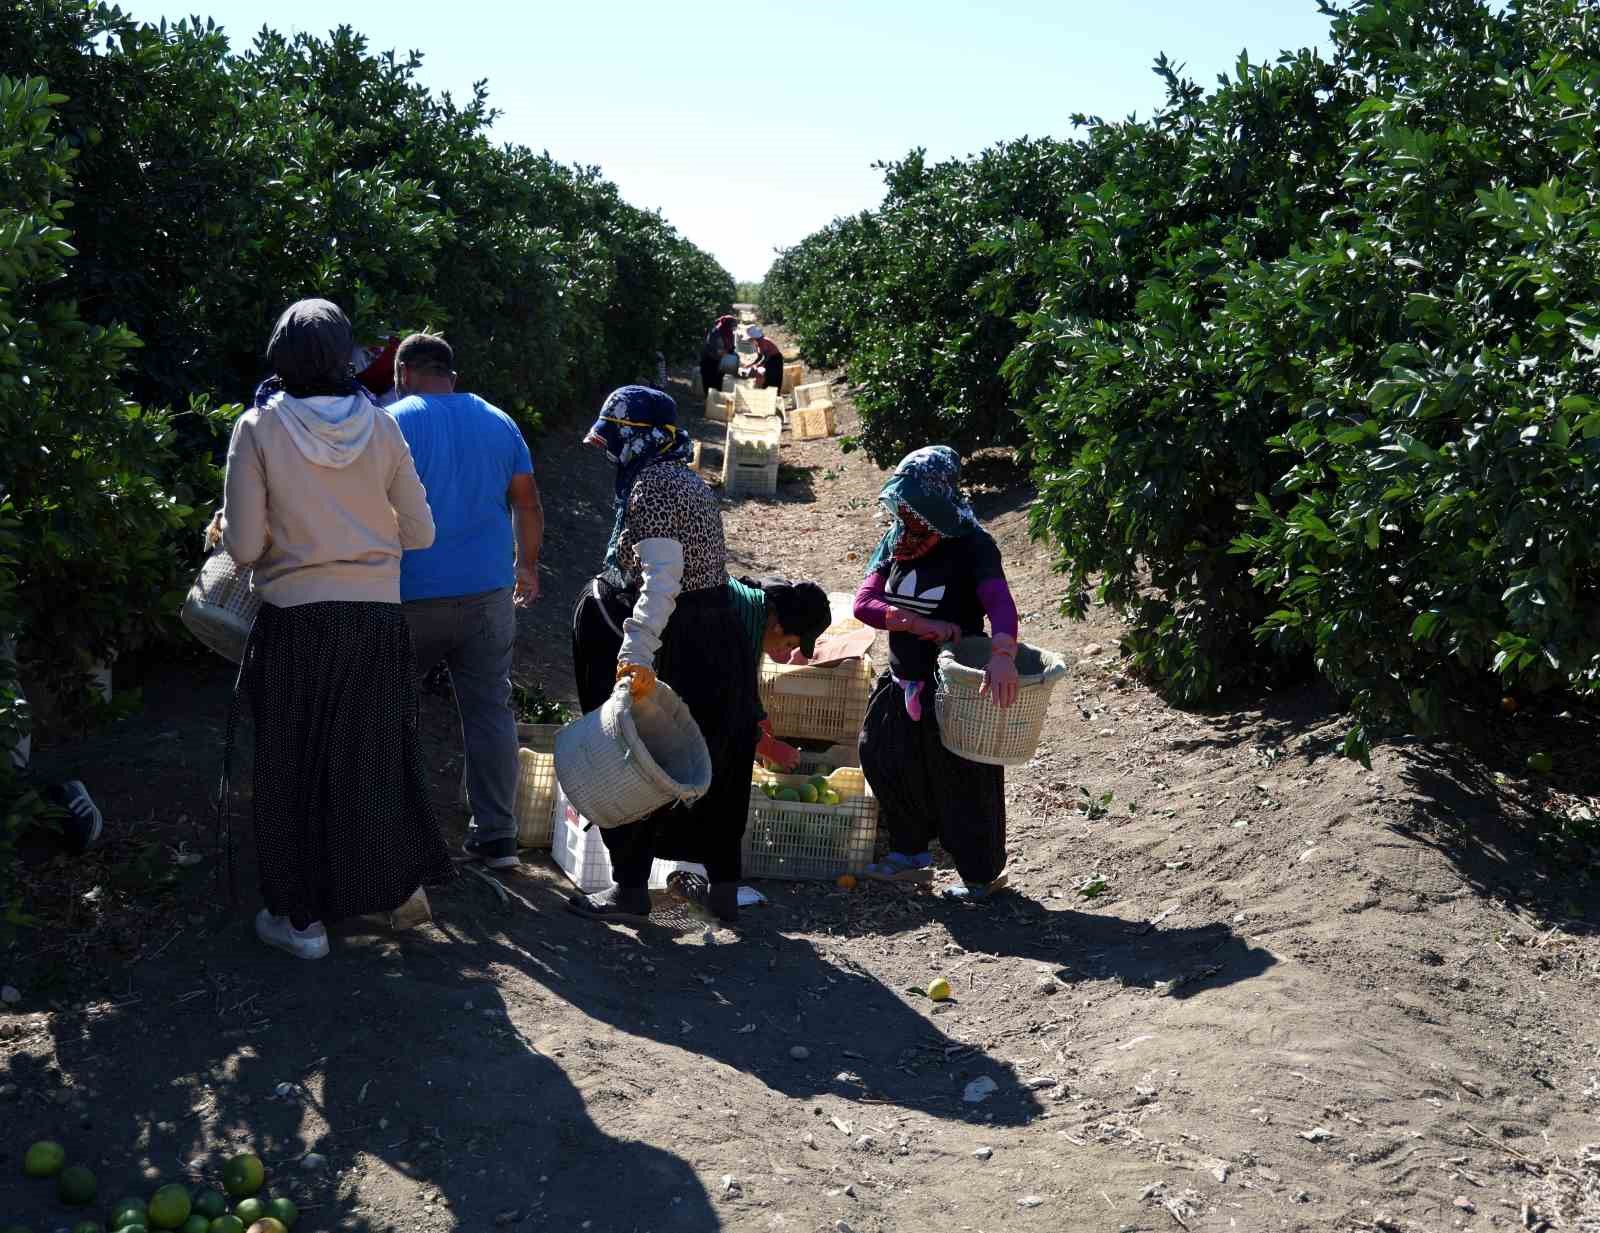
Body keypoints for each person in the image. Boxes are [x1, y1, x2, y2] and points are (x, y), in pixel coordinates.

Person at [221, 298, 455, 959]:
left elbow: (241, 546)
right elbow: (422, 531)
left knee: (291, 766)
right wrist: (362, 538)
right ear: (347, 356)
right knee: (368, 760)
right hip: (377, 621)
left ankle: (302, 923)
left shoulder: (258, 427)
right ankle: (382, 892)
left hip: (296, 622)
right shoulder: (380, 428)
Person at [568, 386, 758, 926]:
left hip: (680, 638)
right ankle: (723, 886)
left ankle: (630, 890)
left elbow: (661, 581)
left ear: (643, 439)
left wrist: (636, 653)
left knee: (639, 756)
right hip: (713, 634)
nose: (608, 451)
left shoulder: (653, 486)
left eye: (615, 439)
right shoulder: (684, 477)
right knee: (713, 756)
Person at [388, 333, 543, 871]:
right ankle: (497, 836)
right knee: (489, 711)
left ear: (405, 372)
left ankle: (394, 835)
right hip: (487, 592)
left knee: (391, 712)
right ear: (450, 374)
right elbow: (526, 502)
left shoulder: (393, 421)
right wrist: (526, 565)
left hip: (409, 593)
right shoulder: (499, 421)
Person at [851, 446, 1021, 901]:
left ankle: (981, 875)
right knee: (885, 758)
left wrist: (1003, 654)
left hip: (954, 685)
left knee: (962, 779)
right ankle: (909, 857)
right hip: (903, 678)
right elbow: (864, 603)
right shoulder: (897, 541)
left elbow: (1000, 604)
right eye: (902, 505)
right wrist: (916, 623)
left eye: (915, 505)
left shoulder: (972, 545)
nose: (906, 514)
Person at [726, 575, 833, 772]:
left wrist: (759, 716)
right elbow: (725, 704)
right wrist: (768, 746)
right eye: (790, 644)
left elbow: (745, 684)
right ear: (779, 628)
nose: (785, 651)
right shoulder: (743, 629)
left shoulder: (758, 613)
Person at [699, 315, 736, 397]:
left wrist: (729, 351)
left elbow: (731, 347)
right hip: (709, 360)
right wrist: (721, 351)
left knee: (717, 381)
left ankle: (714, 399)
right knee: (708, 380)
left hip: (720, 362)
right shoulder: (716, 332)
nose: (733, 327)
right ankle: (708, 399)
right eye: (732, 324)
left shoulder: (730, 333)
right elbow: (711, 347)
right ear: (727, 324)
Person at [741, 325, 784, 390]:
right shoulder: (758, 342)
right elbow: (760, 357)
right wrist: (750, 365)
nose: (749, 341)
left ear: (753, 337)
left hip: (775, 359)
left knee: (773, 378)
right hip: (771, 358)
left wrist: (758, 365)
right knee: (768, 377)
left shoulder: (763, 341)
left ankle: (774, 394)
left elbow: (766, 357)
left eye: (750, 339)